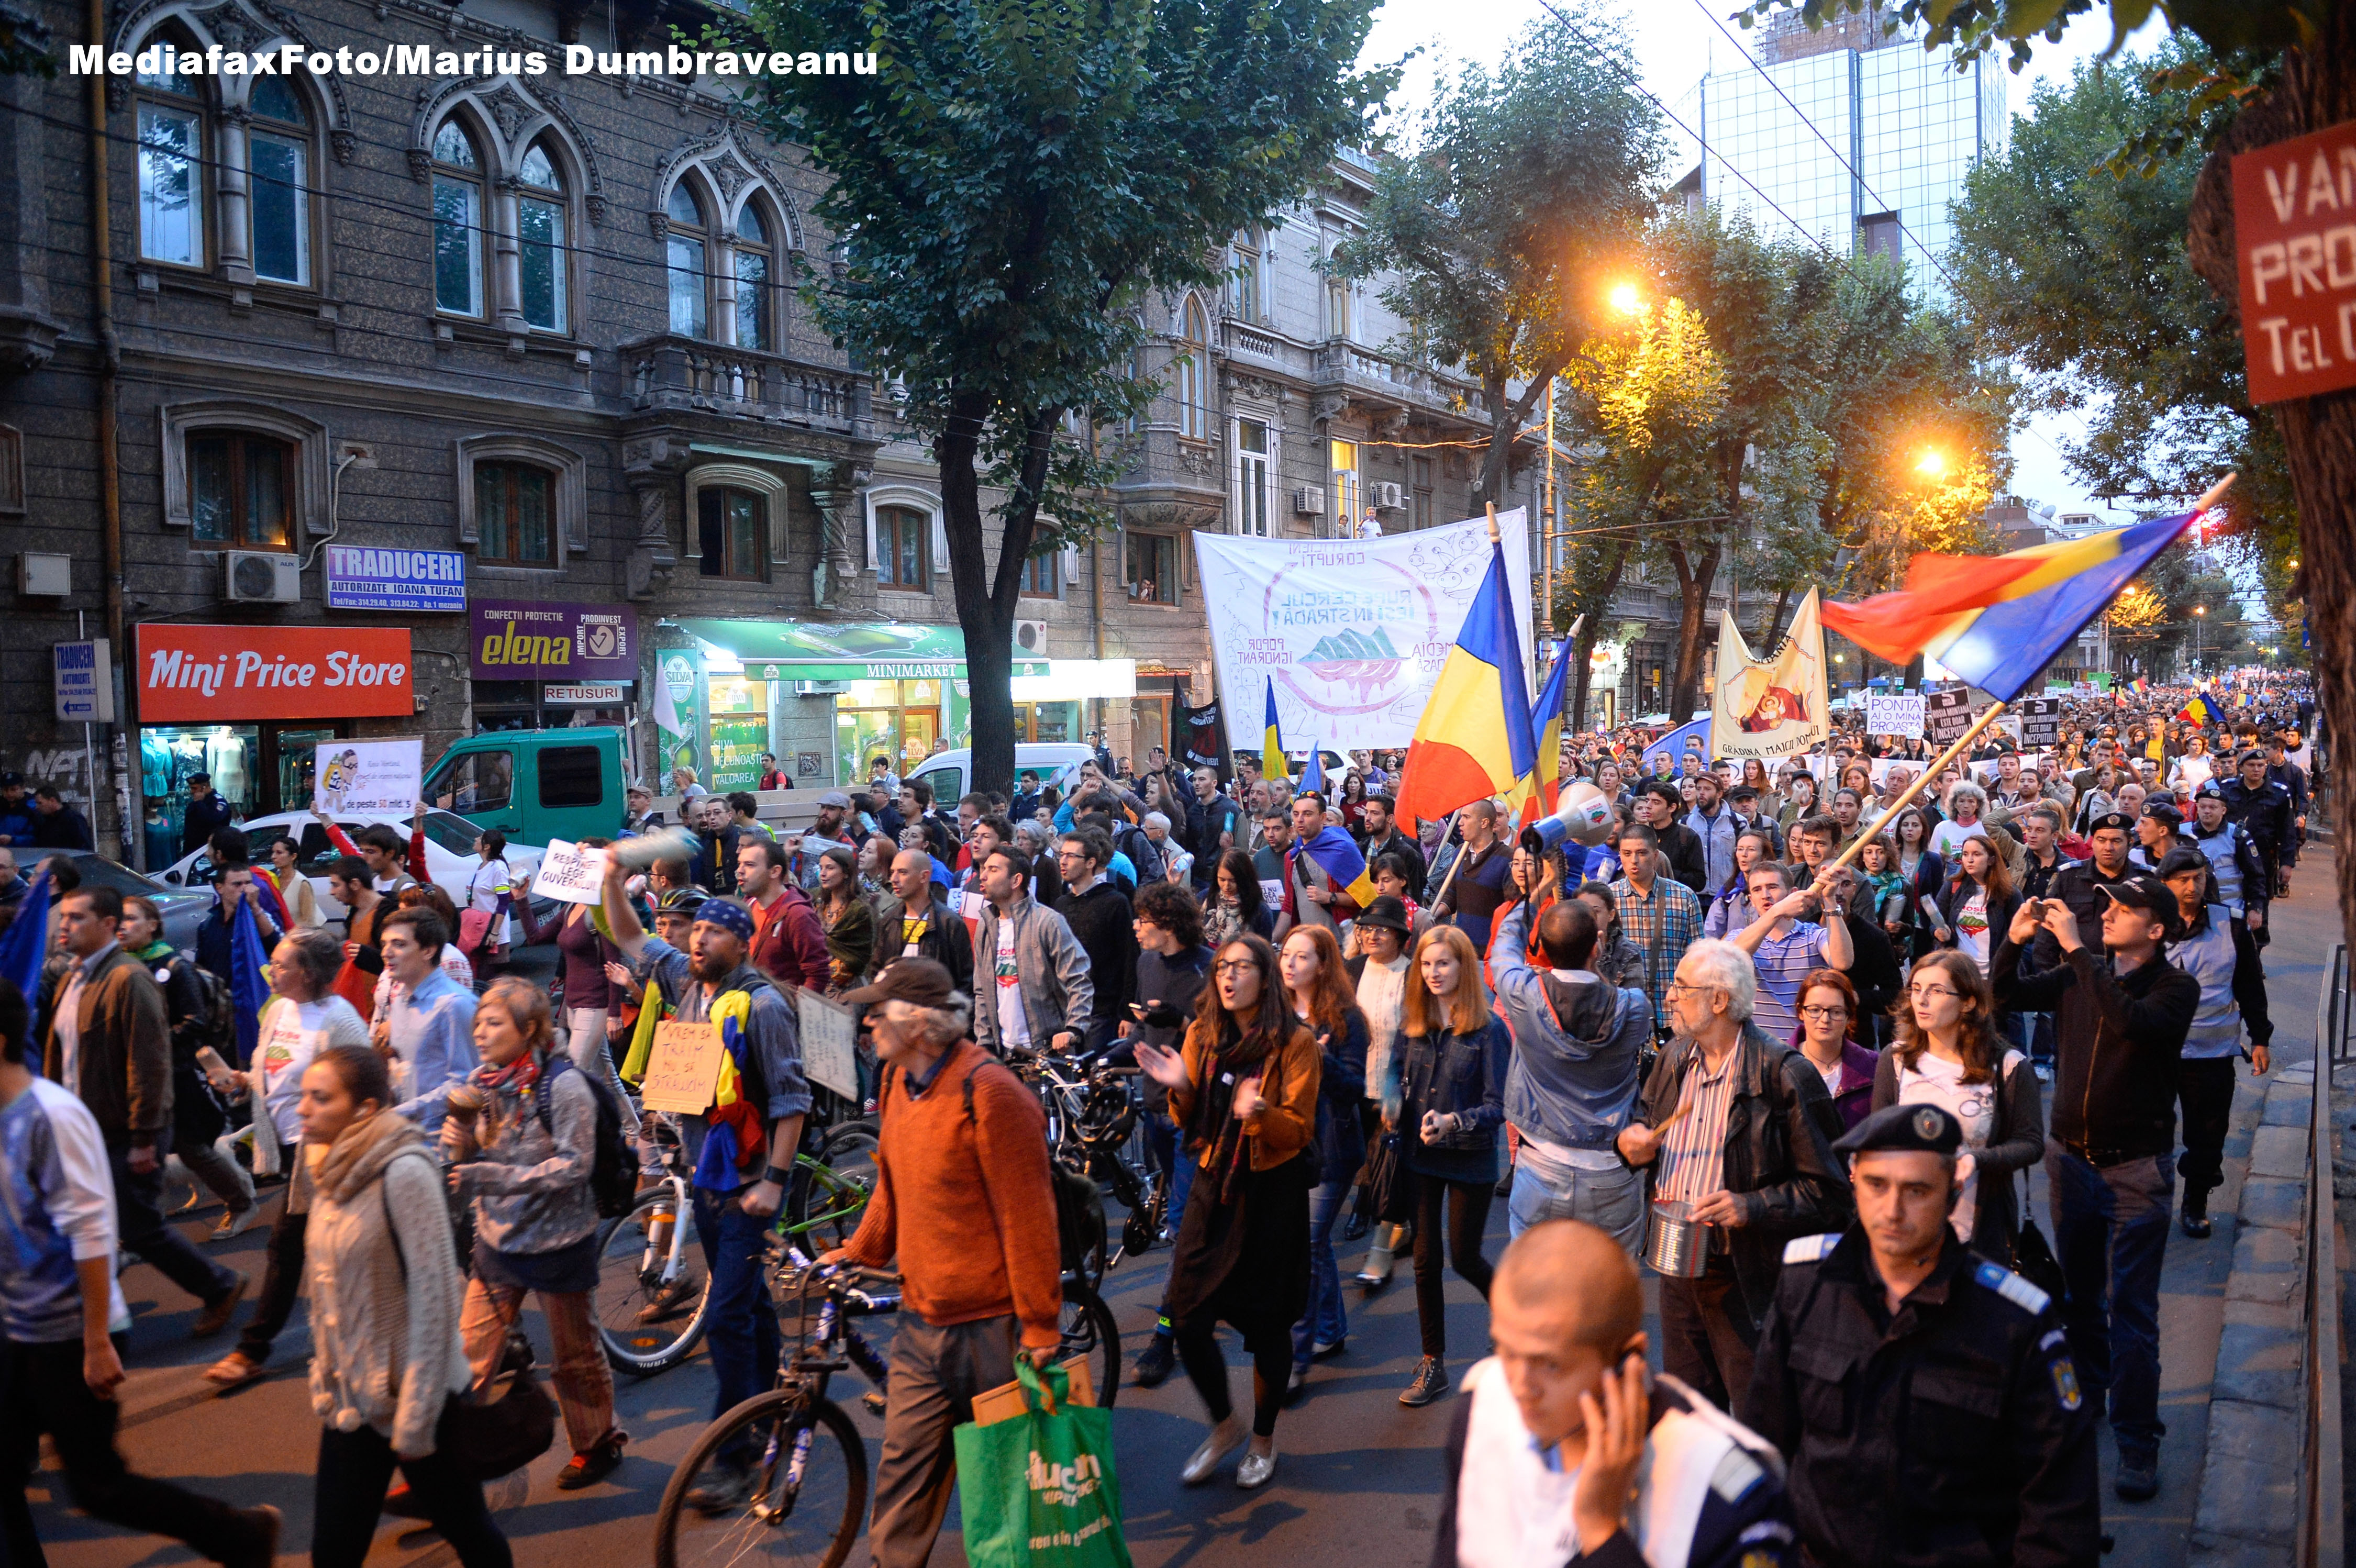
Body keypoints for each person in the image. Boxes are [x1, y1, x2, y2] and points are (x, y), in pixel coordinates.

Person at [0, 976, 284, 1568]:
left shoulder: (51, 1116)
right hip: (18, 1328)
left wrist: (96, 1339)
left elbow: (91, 1231)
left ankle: (239, 1534)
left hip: (70, 1331)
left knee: (99, 1486)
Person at [1742, 1103, 2099, 1568]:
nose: (1892, 1210)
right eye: (1877, 1184)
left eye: (1917, 1190)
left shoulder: (2015, 1324)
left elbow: (2060, 1511)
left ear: (1952, 1195)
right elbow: (1765, 1449)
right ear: (1853, 1181)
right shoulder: (1806, 1285)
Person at [824, 960, 1062, 1567]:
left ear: (917, 1023)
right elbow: (893, 1181)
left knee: (1007, 1495)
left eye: (879, 1011)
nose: (869, 1021)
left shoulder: (990, 1092)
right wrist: (860, 1250)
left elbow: (1028, 1218)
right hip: (920, 1321)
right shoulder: (895, 1080)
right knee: (902, 1480)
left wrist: (1039, 1324)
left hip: (991, 1330)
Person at [598, 862, 808, 1509]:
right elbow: (632, 938)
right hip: (706, 1178)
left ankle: (734, 1458)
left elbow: (792, 1102)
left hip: (749, 1187)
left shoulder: (764, 1007)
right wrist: (612, 881)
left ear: (740, 944)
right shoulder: (687, 982)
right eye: (695, 932)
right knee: (749, 1305)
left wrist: (774, 1182)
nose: (697, 939)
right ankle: (779, 1401)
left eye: (713, 933)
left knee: (724, 1318)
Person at [1429, 1219, 1798, 1568]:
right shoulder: (1483, 1405)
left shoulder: (1723, 1494)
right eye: (1506, 1351)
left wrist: (1602, 1532)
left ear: (1628, 1359)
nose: (1521, 1386)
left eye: (1551, 1365)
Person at [1993, 875, 2197, 1499]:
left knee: (2131, 1311)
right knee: (2081, 1299)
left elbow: (2129, 1022)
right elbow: (2004, 995)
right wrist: (2013, 941)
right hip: (2072, 1162)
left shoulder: (2175, 987)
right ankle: (2088, 1399)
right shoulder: (2082, 973)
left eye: (2123, 910)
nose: (2105, 915)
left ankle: (2138, 1442)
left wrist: (2078, 951)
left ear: (2156, 929)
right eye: (2105, 906)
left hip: (2135, 1169)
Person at [297, 1046, 511, 1568]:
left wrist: (415, 1421)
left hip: (423, 1401)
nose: (303, 1108)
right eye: (304, 1095)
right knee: (332, 1554)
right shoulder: (326, 1167)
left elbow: (437, 1300)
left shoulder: (405, 1172)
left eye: (321, 1098)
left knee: (472, 1535)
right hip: (353, 1402)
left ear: (365, 1109)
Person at [1613, 938, 1849, 1412]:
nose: (1670, 996)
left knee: (1759, 1416)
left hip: (1746, 1276)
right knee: (1689, 1414)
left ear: (1719, 1000)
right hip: (1678, 1268)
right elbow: (1643, 1124)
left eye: (1682, 987)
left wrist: (1750, 1205)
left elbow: (1831, 1192)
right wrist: (1631, 1144)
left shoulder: (1783, 1072)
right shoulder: (1675, 1057)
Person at [1134, 933, 1320, 1489]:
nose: (1228, 976)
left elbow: (1298, 1131)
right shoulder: (1203, 1033)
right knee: (1186, 1316)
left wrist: (1260, 1112)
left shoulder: (1296, 1042)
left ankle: (1263, 1439)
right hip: (1213, 1185)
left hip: (1271, 1194)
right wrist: (1181, 1088)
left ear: (1266, 976)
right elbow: (1187, 1119)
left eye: (1241, 966)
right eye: (1222, 967)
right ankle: (1225, 1424)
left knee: (1268, 1326)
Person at [438, 978, 627, 1490]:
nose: (480, 1031)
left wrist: (489, 1175)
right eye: (479, 1022)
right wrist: (461, 1143)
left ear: (528, 1029)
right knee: (468, 1356)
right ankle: (442, 1466)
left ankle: (597, 1442)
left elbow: (575, 1165)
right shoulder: (482, 1082)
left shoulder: (563, 1085)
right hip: (498, 1238)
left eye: (494, 1022)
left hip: (559, 1242)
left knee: (575, 1356)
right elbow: (477, 1155)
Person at [44, 885, 249, 1335]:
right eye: (63, 917)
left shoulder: (129, 978)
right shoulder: (73, 978)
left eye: (77, 917)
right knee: (83, 1220)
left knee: (138, 1226)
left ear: (107, 925)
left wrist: (144, 1137)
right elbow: (62, 1056)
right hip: (84, 1127)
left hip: (124, 1128)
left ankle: (219, 1285)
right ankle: (89, 1311)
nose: (64, 925)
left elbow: (149, 1062)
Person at [1388, 925, 1512, 1408]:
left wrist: (1453, 1121)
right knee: (1424, 1260)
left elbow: (1499, 1106)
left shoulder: (1489, 1030)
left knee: (1464, 1257)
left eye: (1443, 962)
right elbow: (1395, 1073)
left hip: (1469, 1157)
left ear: (1464, 966)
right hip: (1419, 1156)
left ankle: (1514, 1321)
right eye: (1426, 963)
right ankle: (1432, 1362)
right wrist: (1390, 1102)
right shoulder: (1413, 1021)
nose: (1433, 972)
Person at [1488, 895, 1649, 1255]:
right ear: (1597, 946)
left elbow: (1504, 944)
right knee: (1610, 1284)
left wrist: (1533, 897)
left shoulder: (1523, 993)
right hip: (1610, 1170)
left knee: (1534, 1281)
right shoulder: (1634, 1007)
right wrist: (1597, 964)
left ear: (1545, 949)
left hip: (1540, 1167)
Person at [1869, 951, 2044, 1261]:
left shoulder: (2008, 1067)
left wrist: (1976, 1160)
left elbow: (2030, 1144)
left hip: (1979, 1228)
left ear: (1968, 1002)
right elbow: (1878, 1135)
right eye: (1916, 989)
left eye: (1936, 991)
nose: (1921, 1000)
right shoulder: (1895, 1059)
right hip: (1906, 1225)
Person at [119, 894, 256, 1236]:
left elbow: (196, 1023)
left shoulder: (175, 967)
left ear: (153, 925)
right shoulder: (121, 966)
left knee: (193, 1150)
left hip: (174, 1075)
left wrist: (152, 1045)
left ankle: (241, 1202)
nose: (123, 926)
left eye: (131, 919)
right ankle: (139, 1226)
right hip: (133, 1077)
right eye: (120, 919)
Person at [2158, 845, 2272, 1239]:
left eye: (2199, 878)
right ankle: (2147, 1204)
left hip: (2212, 1053)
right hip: (2156, 1051)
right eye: (2183, 880)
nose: (2192, 887)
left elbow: (2249, 986)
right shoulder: (2148, 923)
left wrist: (2260, 1037)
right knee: (2149, 1130)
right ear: (2165, 884)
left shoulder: (2232, 924)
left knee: (2207, 1135)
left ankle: (2196, 1201)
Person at [1128, 882, 1217, 1387]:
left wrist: (1181, 1020)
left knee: (1181, 1228)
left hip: (1193, 1115)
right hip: (1153, 1109)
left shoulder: (1208, 967)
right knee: (1186, 1216)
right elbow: (1146, 1032)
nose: (1137, 927)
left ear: (1168, 923)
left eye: (1143, 919)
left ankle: (1165, 1335)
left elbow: (1221, 1039)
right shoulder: (1146, 964)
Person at [1278, 925, 1367, 1393]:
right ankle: (1330, 1329)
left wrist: (1319, 1058)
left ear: (1323, 964)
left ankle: (1295, 1360)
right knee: (1315, 1245)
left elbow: (1354, 1088)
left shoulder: (1346, 1019)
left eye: (1302, 956)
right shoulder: (1275, 1012)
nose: (1290, 963)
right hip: (1286, 1144)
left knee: (1303, 1247)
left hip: (1331, 1147)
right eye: (1286, 954)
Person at [970, 846, 1094, 1059]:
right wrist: (985, 1042)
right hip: (1003, 1053)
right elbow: (982, 991)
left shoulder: (1048, 922)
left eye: (993, 870)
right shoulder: (986, 925)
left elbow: (1079, 979)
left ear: (1016, 881)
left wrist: (1073, 1028)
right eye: (984, 869)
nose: (983, 876)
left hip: (1047, 1051)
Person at [1728, 863, 1854, 1043]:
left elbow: (1843, 962)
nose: (1765, 895)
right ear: (1751, 899)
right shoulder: (1738, 937)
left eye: (1773, 887)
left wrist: (1830, 900)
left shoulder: (1813, 935)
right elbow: (1731, 961)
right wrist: (1777, 911)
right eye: (1757, 890)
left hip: (1803, 1048)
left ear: (1792, 893)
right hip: (1756, 1048)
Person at [379, 909, 480, 1125]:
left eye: (399, 944)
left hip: (438, 1136)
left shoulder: (455, 1005)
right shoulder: (401, 1000)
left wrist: (399, 1114)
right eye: (384, 944)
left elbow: (466, 1082)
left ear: (428, 951)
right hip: (402, 1131)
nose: (386, 953)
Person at [1608, 824, 1703, 1036]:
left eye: (1642, 853)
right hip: (1624, 1012)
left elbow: (1698, 958)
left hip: (1674, 1010)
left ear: (1655, 856)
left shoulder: (1683, 897)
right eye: (1627, 854)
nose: (1634, 860)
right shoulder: (1608, 899)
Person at [1056, 827, 1137, 1053]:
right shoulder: (1061, 904)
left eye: (1071, 856)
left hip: (1102, 1011)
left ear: (1091, 863)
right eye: (1061, 855)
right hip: (1065, 1008)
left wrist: (1128, 1013)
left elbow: (1130, 958)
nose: (1063, 861)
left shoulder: (1115, 902)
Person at [875, 847, 975, 993]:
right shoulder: (889, 920)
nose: (894, 879)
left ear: (924, 877)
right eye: (892, 872)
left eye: (903, 872)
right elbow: (877, 970)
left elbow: (965, 980)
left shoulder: (949, 923)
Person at [737, 838, 830, 992]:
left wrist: (795, 1005)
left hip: (783, 1004)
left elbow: (818, 975)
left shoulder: (798, 915)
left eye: (750, 865)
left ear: (775, 871)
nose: (740, 871)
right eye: (740, 864)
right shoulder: (748, 904)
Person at [1791, 969, 1876, 1131]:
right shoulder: (1778, 1066)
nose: (1825, 1019)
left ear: (1849, 1016)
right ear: (1801, 1012)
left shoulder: (1873, 1067)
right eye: (1815, 1010)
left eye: (1836, 1012)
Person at [1429, 800, 1510, 953]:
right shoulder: (1460, 853)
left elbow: (1511, 907)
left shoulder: (1507, 857)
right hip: (1462, 947)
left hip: (1491, 950)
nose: (1460, 823)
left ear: (1484, 823)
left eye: (1466, 817)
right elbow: (1451, 894)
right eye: (1461, 817)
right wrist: (1432, 916)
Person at [1934, 835, 2018, 978]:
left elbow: (2019, 932)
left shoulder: (2009, 892)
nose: (1970, 860)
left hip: (1994, 975)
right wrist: (1938, 932)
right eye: (1965, 854)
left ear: (1991, 860)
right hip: (1959, 973)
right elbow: (1936, 920)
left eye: (1977, 854)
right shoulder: (1952, 886)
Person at [179, 773, 234, 858]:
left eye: (195, 788)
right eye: (191, 788)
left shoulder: (218, 801)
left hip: (210, 849)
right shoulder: (195, 802)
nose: (192, 792)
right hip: (193, 849)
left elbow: (213, 819)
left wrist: (199, 803)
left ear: (204, 788)